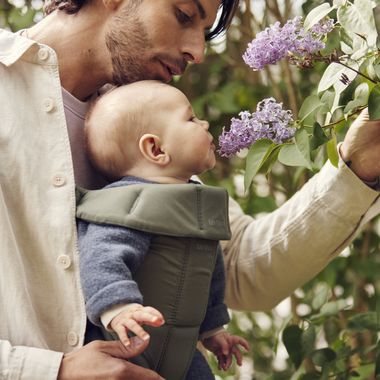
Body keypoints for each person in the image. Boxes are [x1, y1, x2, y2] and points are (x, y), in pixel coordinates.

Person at [1, 0, 380, 378]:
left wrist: (357, 166)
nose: (197, 52)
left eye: (204, 31)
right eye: (183, 15)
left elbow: (239, 267)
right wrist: (54, 370)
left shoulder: (141, 116)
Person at [76, 80, 250, 379]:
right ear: (156, 149)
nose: (205, 122)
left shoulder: (196, 204)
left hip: (184, 355)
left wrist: (213, 329)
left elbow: (209, 274)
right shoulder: (125, 206)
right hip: (126, 345)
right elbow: (100, 258)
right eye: (191, 119)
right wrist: (118, 307)